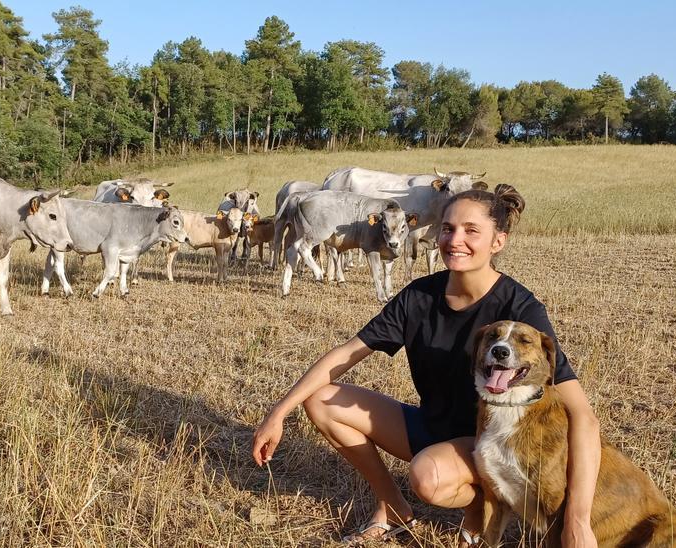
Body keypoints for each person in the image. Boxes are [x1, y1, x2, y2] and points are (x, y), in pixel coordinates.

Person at [251, 184, 601, 547]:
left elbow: (584, 417)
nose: (455, 240)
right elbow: (346, 353)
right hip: (430, 425)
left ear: (499, 241)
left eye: (471, 231)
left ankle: (486, 499)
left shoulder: (521, 309)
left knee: (427, 477)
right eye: (448, 228)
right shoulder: (419, 296)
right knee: (321, 400)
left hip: (494, 442)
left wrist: (578, 520)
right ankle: (393, 506)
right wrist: (278, 413)